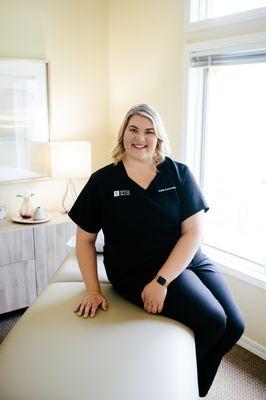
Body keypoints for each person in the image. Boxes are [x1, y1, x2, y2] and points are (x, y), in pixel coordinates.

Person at [68, 103, 245, 398]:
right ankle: (180, 388)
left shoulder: (178, 173)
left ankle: (194, 388)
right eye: (133, 129)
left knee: (235, 326)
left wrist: (163, 281)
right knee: (214, 321)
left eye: (149, 131)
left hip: (185, 257)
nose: (140, 138)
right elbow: (85, 240)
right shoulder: (103, 181)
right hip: (137, 269)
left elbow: (193, 233)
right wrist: (93, 289)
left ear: (158, 136)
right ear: (123, 133)